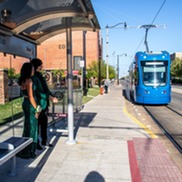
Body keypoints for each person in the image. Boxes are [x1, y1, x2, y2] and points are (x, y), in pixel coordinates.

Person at [31, 58, 58, 148]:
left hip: (44, 104)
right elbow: (38, 92)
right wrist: (49, 97)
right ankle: (37, 142)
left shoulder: (40, 76)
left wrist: (52, 96)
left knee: (44, 124)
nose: (42, 66)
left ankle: (44, 141)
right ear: (36, 66)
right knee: (37, 125)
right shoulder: (33, 78)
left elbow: (46, 89)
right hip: (38, 104)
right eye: (40, 65)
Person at [17, 62, 42, 159]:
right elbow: (31, 97)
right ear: (28, 70)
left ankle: (24, 148)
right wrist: (37, 108)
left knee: (27, 125)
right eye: (32, 69)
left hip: (25, 103)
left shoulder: (22, 80)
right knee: (33, 127)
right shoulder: (29, 81)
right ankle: (30, 151)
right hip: (31, 105)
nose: (33, 71)